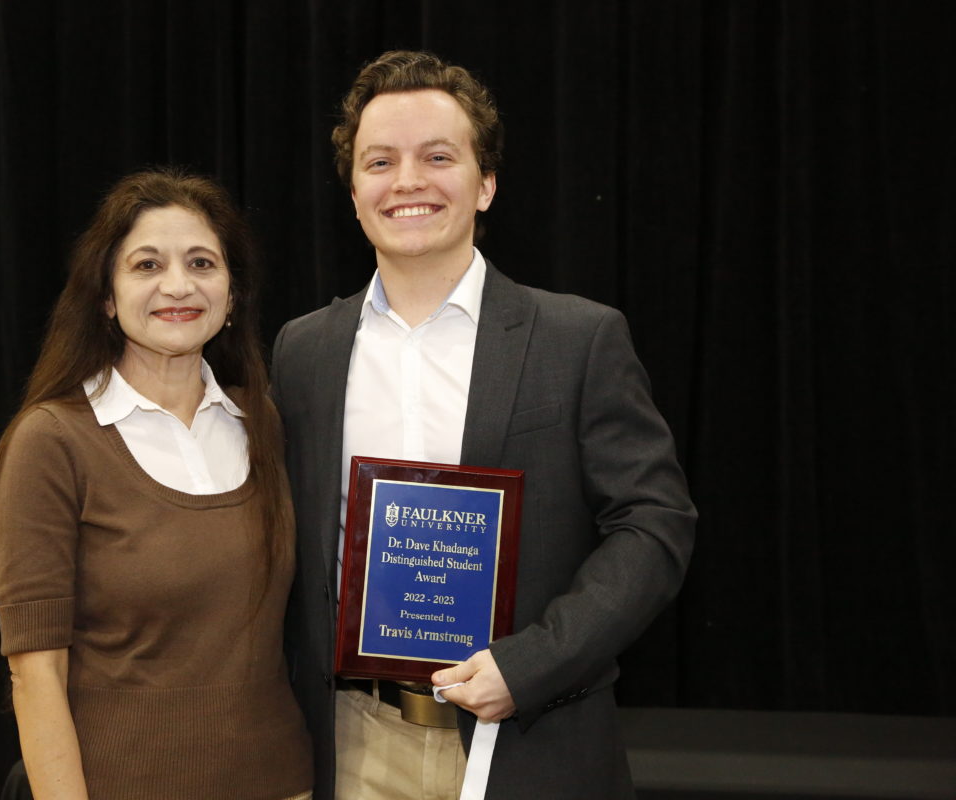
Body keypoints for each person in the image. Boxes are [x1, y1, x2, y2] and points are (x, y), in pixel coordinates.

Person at [271, 51, 696, 799]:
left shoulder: (578, 338)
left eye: (438, 156)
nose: (407, 181)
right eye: (380, 161)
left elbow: (654, 526)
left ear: (486, 184)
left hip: (531, 742)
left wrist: (530, 665)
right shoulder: (303, 351)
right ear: (354, 193)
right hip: (349, 745)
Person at [0, 168, 313, 800]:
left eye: (201, 263)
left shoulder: (263, 422)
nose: (178, 286)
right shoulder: (52, 441)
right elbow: (35, 675)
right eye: (146, 266)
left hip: (283, 783)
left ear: (233, 293)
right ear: (106, 296)